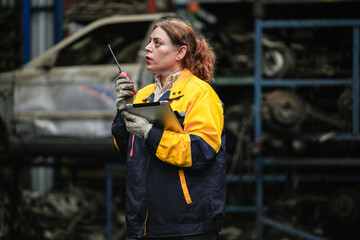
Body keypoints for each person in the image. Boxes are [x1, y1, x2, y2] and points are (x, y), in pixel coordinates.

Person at [111, 17, 226, 240]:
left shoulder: (200, 94)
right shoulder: (143, 95)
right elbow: (126, 150)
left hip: (189, 226)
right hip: (144, 224)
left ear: (180, 53)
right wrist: (122, 109)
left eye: (157, 43)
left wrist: (149, 133)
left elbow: (200, 151)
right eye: (149, 42)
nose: (147, 47)